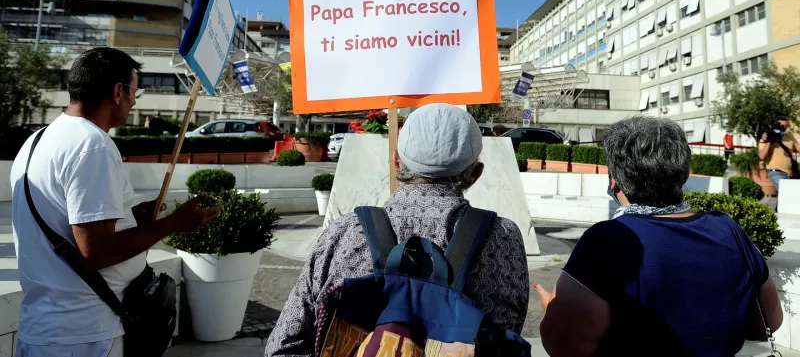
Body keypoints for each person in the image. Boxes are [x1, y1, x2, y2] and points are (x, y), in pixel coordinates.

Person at [266, 103, 529, 356]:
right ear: (476, 174)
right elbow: (507, 332)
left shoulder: (344, 233)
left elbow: (284, 344)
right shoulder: (502, 237)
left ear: (395, 162)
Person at [10, 47, 220, 357]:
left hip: (49, 328)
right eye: (137, 90)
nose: (136, 100)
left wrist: (132, 216)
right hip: (83, 335)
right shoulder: (91, 145)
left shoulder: (38, 139)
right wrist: (174, 224)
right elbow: (95, 252)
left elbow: (66, 222)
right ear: (118, 91)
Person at [534, 116, 782, 357]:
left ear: (615, 180)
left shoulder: (607, 241)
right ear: (683, 172)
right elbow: (768, 322)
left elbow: (564, 345)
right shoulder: (728, 229)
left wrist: (551, 309)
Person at [759, 116, 799, 191]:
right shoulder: (766, 137)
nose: (784, 128)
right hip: (776, 173)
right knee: (786, 193)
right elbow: (762, 156)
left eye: (786, 126)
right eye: (782, 125)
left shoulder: (789, 137)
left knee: (786, 197)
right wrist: (770, 141)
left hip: (790, 173)